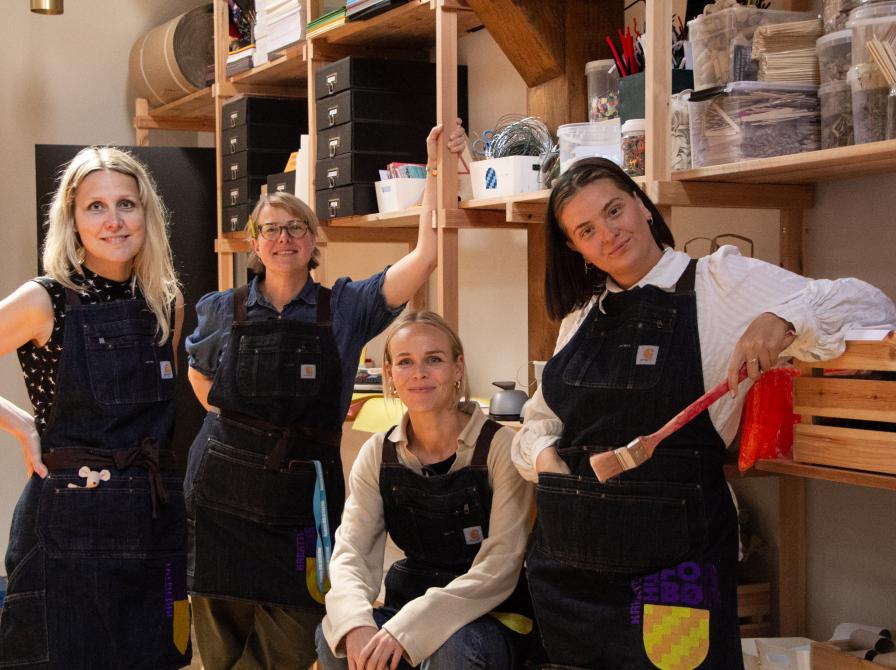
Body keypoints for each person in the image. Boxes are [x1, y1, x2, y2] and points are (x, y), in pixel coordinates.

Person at [512, 157, 896, 669]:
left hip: (674, 569)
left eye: (614, 210)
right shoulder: (581, 317)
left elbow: (869, 304)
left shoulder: (718, 281)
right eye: (586, 230)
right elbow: (540, 421)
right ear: (574, 248)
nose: (608, 234)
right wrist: (547, 463)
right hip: (570, 567)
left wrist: (782, 317)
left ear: (642, 206)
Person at [183, 122, 467, 669]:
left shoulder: (348, 306)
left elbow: (426, 255)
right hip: (221, 495)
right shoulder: (222, 307)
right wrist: (244, 434)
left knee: (298, 631)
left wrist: (437, 169)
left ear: (315, 240)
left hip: (303, 498)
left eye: (297, 228)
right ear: (254, 242)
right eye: (271, 229)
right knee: (220, 644)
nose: (284, 238)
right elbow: (199, 376)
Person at [0, 147, 190, 669]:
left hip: (150, 523)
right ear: (73, 219)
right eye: (96, 207)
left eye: (126, 204)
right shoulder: (46, 300)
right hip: (66, 529)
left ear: (147, 213)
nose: (113, 221)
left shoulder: (166, 302)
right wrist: (19, 423)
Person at [315, 311, 534, 670]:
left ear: (458, 367)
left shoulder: (500, 448)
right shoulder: (377, 453)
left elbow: (501, 566)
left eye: (434, 359)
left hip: (492, 615)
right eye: (405, 362)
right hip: (407, 602)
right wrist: (355, 623)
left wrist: (410, 628)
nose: (419, 373)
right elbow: (352, 552)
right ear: (390, 374)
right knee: (335, 641)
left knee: (453, 650)